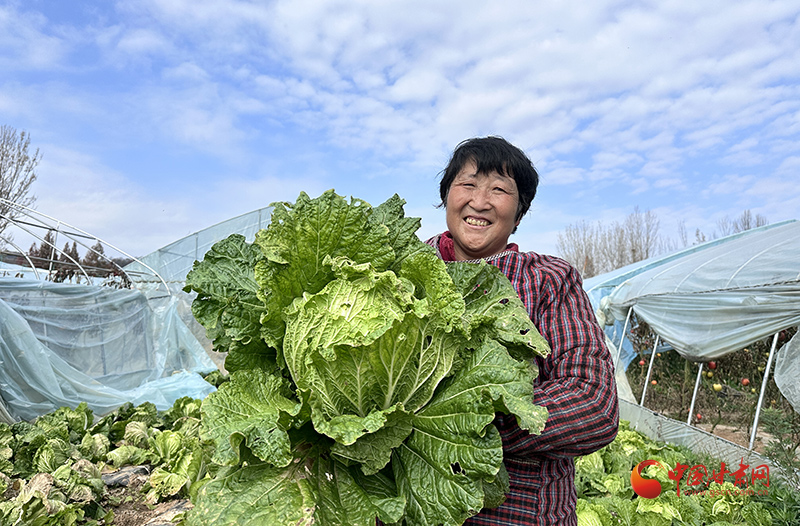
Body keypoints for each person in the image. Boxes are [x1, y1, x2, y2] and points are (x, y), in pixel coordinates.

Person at [427, 136, 619, 525]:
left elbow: (593, 402)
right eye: (467, 184)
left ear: (518, 214)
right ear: (447, 196)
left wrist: (460, 426)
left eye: (499, 189)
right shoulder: (399, 272)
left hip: (517, 513)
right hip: (405, 510)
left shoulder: (549, 279)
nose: (479, 201)